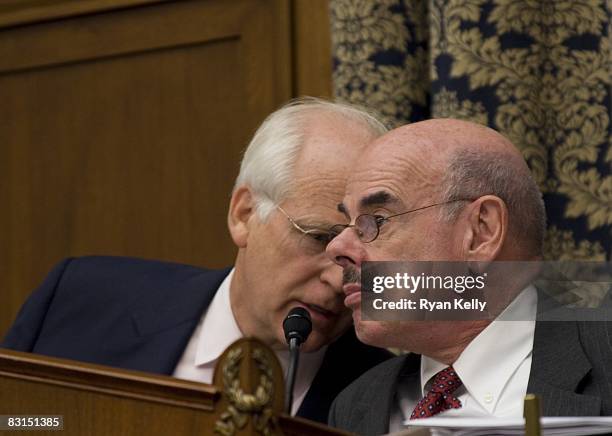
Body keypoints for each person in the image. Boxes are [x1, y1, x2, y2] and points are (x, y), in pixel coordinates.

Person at [1, 97, 392, 424]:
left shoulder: (389, 400)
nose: (341, 282)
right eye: (319, 237)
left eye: (363, 256)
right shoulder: (79, 301)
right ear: (244, 215)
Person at [325, 119, 612, 434]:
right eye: (345, 225)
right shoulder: (354, 407)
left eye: (377, 221)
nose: (337, 247)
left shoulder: (604, 360)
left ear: (481, 232)